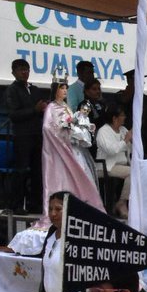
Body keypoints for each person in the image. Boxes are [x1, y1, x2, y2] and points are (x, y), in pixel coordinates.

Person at [42, 78, 104, 217]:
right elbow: (48, 128)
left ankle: (82, 210)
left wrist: (77, 129)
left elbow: (76, 122)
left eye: (66, 88)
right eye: (61, 88)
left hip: (74, 149)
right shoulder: (52, 107)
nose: (64, 91)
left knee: (81, 178)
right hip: (60, 151)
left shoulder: (67, 107)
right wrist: (66, 130)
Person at [5, 58, 46, 213]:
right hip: (22, 136)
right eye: (21, 69)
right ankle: (16, 205)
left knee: (37, 171)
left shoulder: (35, 90)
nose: (24, 72)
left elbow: (40, 109)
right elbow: (13, 114)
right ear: (13, 72)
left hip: (37, 135)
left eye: (27, 69)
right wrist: (34, 110)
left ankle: (35, 204)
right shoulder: (12, 90)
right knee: (21, 170)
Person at [96, 105, 132, 218]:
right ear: (114, 118)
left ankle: (123, 202)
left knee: (141, 171)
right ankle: (121, 203)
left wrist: (133, 140)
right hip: (107, 166)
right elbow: (111, 150)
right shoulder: (103, 131)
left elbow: (129, 148)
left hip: (122, 165)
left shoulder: (123, 130)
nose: (125, 117)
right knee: (134, 173)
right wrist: (125, 140)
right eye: (122, 115)